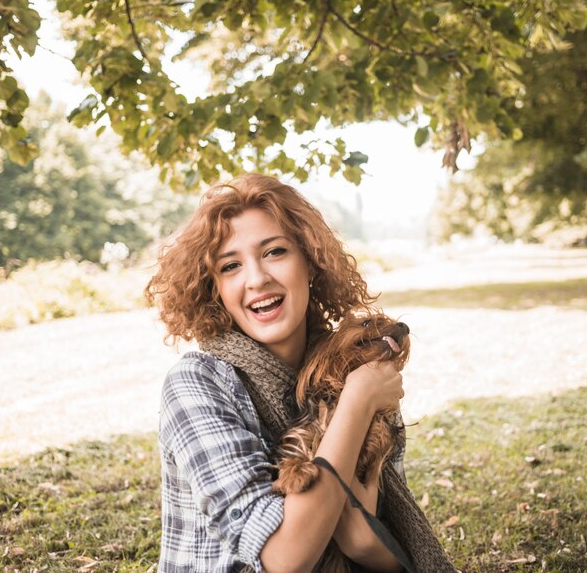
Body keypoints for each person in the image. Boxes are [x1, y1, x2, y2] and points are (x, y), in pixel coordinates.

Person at [146, 174, 454, 573]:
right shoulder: (196, 385)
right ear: (214, 289)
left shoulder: (354, 367)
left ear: (310, 261)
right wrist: (357, 404)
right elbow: (284, 559)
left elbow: (367, 542)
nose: (256, 279)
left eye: (274, 252)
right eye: (231, 265)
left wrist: (357, 530)